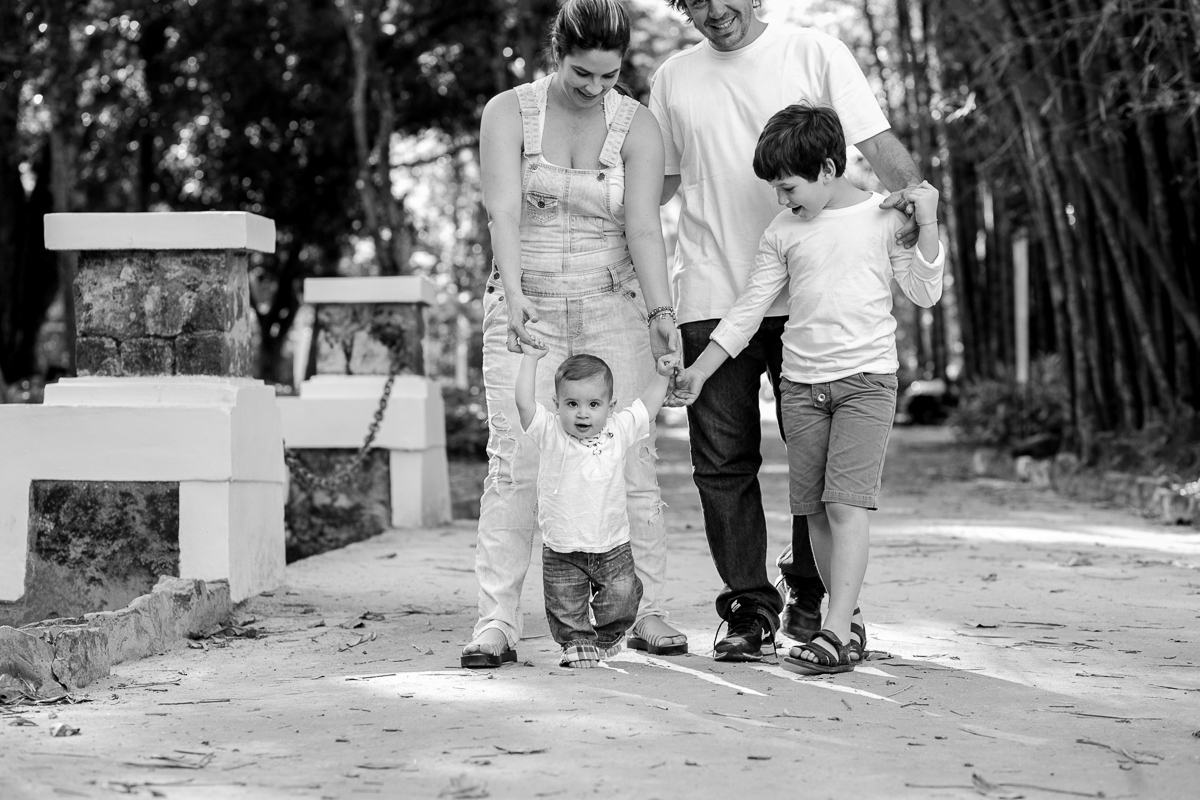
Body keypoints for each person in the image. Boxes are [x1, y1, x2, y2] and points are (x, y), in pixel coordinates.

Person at [650, 0, 924, 661]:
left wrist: (919, 200)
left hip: (812, 301)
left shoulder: (816, 52)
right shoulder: (673, 77)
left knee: (822, 473)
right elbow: (650, 186)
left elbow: (873, 143)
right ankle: (749, 606)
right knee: (721, 462)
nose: (715, 12)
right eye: (695, 1)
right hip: (715, 293)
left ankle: (819, 596)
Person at [462, 0, 688, 668]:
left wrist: (661, 319)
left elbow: (644, 227)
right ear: (557, 52)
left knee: (631, 459)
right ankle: (497, 620)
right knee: (516, 460)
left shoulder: (636, 125)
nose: (595, 88)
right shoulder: (507, 112)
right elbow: (502, 210)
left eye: (608, 77)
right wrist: (516, 296)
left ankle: (646, 609)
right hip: (528, 306)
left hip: (612, 303)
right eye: (582, 74)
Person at [515, 344, 679, 667]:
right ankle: (576, 642)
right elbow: (522, 403)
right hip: (563, 546)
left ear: (610, 406)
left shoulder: (617, 430)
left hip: (612, 545)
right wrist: (530, 359)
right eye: (572, 403)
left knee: (623, 597)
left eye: (593, 404)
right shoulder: (551, 432)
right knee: (566, 605)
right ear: (557, 405)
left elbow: (647, 408)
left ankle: (605, 638)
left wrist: (662, 375)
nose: (582, 413)